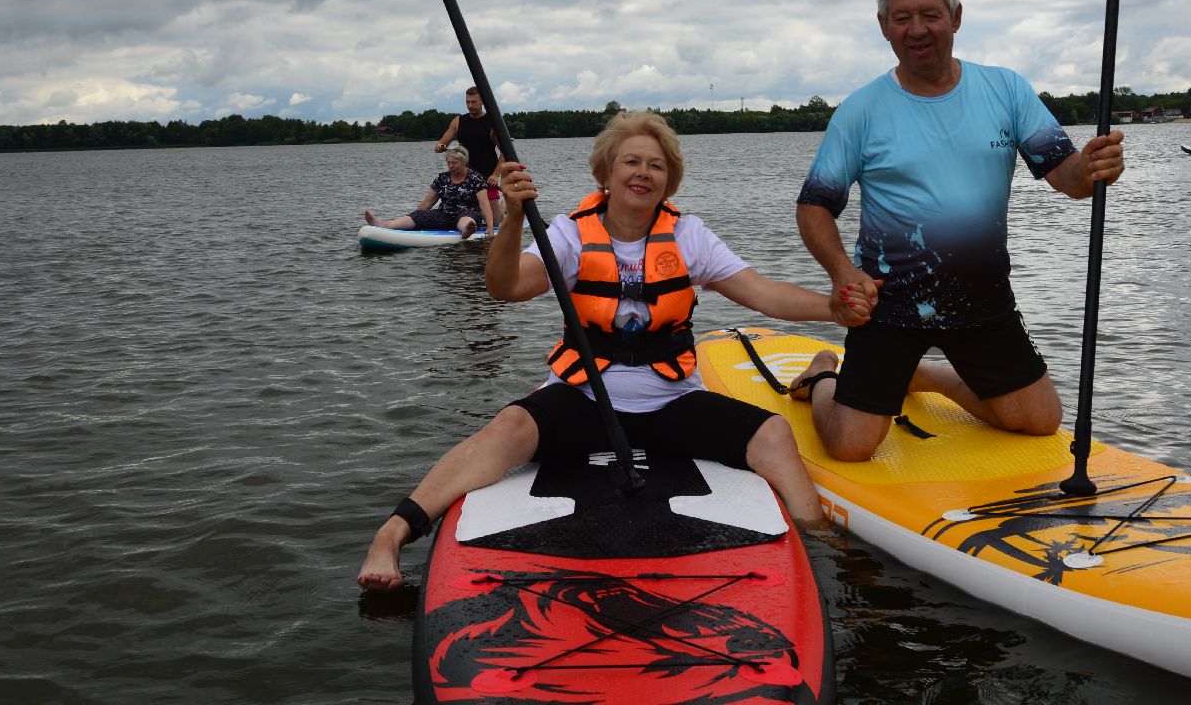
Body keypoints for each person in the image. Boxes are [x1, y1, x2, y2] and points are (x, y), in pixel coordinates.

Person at [358, 111, 872, 591]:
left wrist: (835, 309)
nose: (643, 173)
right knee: (509, 429)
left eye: (657, 165)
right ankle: (393, 534)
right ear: (606, 170)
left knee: (775, 435)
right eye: (631, 162)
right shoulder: (568, 233)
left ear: (669, 180)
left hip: (670, 401)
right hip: (584, 397)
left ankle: (820, 553)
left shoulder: (689, 236)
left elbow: (764, 293)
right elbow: (505, 287)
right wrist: (513, 217)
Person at [790, 0, 1126, 463]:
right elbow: (814, 206)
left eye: (930, 14)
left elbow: (1068, 178)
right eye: (901, 18)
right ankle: (823, 376)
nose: (917, 29)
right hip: (890, 303)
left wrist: (1095, 165)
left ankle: (921, 376)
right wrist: (843, 271)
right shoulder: (860, 111)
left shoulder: (1005, 90)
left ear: (957, 17)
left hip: (981, 299)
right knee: (849, 446)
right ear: (884, 27)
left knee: (1038, 422)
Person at [363, 144, 494, 238]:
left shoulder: (475, 178)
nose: (451, 166)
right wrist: (416, 217)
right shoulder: (442, 178)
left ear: (464, 162)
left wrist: (490, 227)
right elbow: (427, 203)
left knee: (465, 219)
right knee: (419, 216)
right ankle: (384, 224)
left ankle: (467, 230)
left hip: (468, 214)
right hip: (445, 214)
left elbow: (484, 204)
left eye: (455, 163)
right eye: (449, 162)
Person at [436, 87, 505, 228]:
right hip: (465, 176)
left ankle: (506, 206)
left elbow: (505, 153)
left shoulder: (492, 122)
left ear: (482, 102)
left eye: (474, 102)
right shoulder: (458, 121)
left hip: (487, 176)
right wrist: (440, 147)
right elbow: (442, 143)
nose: (470, 106)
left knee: (496, 221)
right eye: (467, 102)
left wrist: (495, 174)